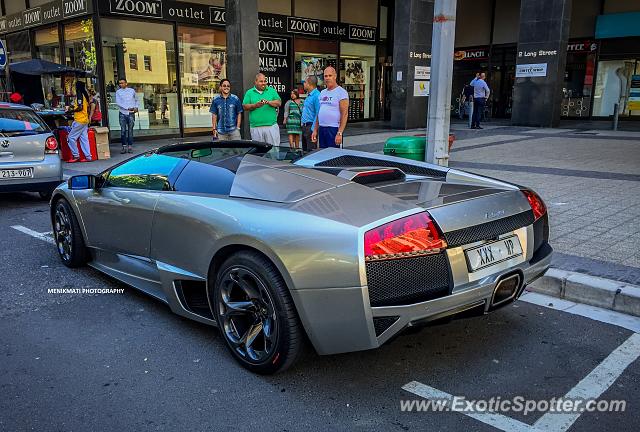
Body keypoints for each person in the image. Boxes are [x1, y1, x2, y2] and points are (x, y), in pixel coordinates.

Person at [311, 66, 349, 148]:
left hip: (334, 128)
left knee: (334, 156)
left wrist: (340, 133)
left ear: (335, 76)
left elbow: (344, 114)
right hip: (322, 128)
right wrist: (315, 130)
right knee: (323, 154)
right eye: (325, 76)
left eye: (330, 75)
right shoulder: (322, 93)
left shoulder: (341, 92)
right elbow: (319, 112)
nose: (327, 78)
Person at [242, 73, 281, 146]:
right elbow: (244, 106)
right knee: (258, 151)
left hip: (271, 127)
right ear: (255, 82)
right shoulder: (249, 92)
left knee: (274, 150)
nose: (263, 83)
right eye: (261, 81)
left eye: (265, 81)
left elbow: (279, 103)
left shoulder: (271, 90)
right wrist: (255, 105)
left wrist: (269, 102)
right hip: (256, 128)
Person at [65, 81, 92, 163]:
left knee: (70, 138)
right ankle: (88, 157)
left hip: (79, 120)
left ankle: (76, 155)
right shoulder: (84, 95)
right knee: (84, 139)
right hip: (85, 120)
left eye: (75, 86)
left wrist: (71, 111)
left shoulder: (80, 94)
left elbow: (80, 108)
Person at [115, 78, 138, 154]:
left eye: (122, 83)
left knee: (130, 130)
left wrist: (136, 107)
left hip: (131, 113)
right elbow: (118, 103)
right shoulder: (118, 92)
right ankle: (124, 146)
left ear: (126, 83)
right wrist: (127, 108)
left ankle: (130, 146)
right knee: (123, 130)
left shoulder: (132, 91)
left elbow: (136, 99)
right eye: (120, 83)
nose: (121, 84)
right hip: (122, 113)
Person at [301, 75, 320, 152]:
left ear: (309, 83)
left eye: (305, 82)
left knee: (310, 152)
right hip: (305, 127)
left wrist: (313, 130)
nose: (303, 84)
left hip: (310, 127)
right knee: (305, 151)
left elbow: (318, 113)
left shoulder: (317, 96)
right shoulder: (309, 95)